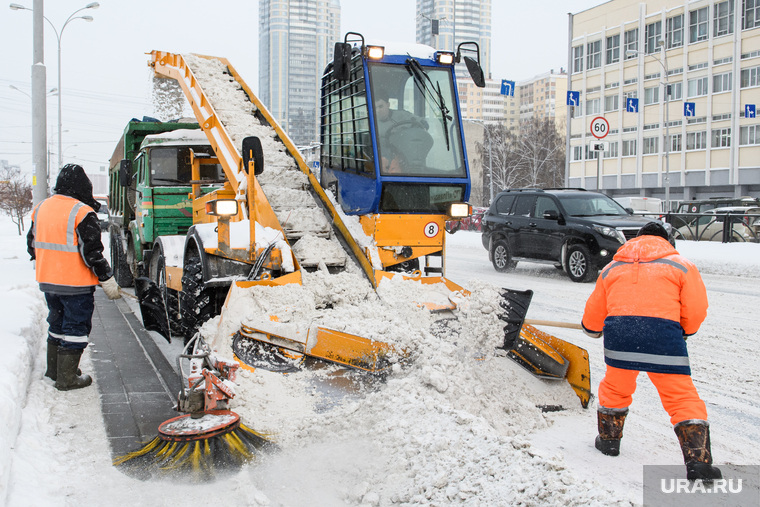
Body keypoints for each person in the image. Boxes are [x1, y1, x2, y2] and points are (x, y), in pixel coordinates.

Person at [581, 221, 721, 482]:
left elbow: (595, 310)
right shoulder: (681, 265)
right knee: (680, 397)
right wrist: (686, 330)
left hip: (620, 336)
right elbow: (696, 307)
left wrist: (592, 328)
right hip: (663, 336)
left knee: (615, 387)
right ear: (667, 241)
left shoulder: (613, 267)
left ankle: (609, 441)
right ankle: (698, 463)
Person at [27, 164, 121, 391]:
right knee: (76, 328)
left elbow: (31, 246)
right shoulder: (82, 212)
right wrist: (106, 277)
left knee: (57, 322)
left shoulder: (41, 208)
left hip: (48, 281)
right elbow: (92, 253)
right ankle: (67, 378)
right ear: (83, 187)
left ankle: (55, 370)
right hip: (75, 285)